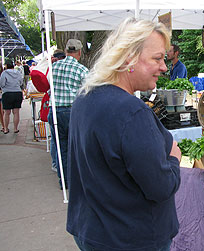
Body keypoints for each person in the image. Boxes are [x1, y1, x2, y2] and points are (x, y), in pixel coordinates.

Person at [67, 18, 181, 251]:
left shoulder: (84, 97)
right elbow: (161, 187)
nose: (164, 67)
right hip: (132, 238)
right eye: (157, 58)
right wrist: (173, 160)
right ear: (128, 57)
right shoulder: (131, 112)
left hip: (93, 232)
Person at [49, 39, 88, 188]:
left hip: (55, 110)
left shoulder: (53, 67)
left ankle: (64, 181)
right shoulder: (82, 70)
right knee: (76, 147)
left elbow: (48, 86)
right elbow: (87, 93)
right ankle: (76, 181)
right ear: (79, 52)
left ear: (66, 52)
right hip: (73, 111)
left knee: (61, 148)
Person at [0, 61, 24, 134]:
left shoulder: (4, 73)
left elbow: (2, 84)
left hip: (7, 93)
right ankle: (15, 128)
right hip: (17, 93)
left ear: (6, 66)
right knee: (16, 112)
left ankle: (6, 129)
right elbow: (21, 82)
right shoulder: (18, 72)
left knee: (7, 112)